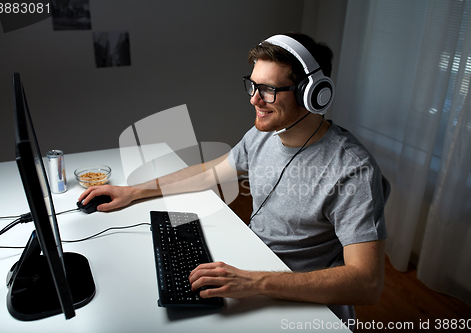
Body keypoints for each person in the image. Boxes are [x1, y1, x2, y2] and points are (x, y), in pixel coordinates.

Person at [79, 32, 389, 324]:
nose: (254, 100)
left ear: (313, 95)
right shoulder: (263, 134)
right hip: (251, 269)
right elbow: (209, 172)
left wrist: (255, 281)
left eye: (268, 90)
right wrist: (133, 191)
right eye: (252, 85)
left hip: (297, 299)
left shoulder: (353, 170)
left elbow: (367, 283)